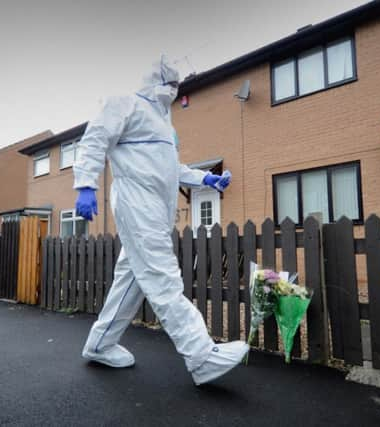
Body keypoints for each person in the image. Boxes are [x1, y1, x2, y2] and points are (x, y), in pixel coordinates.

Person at [73, 55, 249, 386]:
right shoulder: (125, 104)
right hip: (136, 203)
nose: (175, 88)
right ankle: (201, 355)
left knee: (133, 278)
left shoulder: (165, 126)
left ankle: (100, 344)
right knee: (161, 275)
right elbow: (95, 138)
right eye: (170, 82)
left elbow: (170, 170)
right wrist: (85, 185)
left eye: (177, 83)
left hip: (154, 207)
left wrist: (204, 180)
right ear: (155, 81)